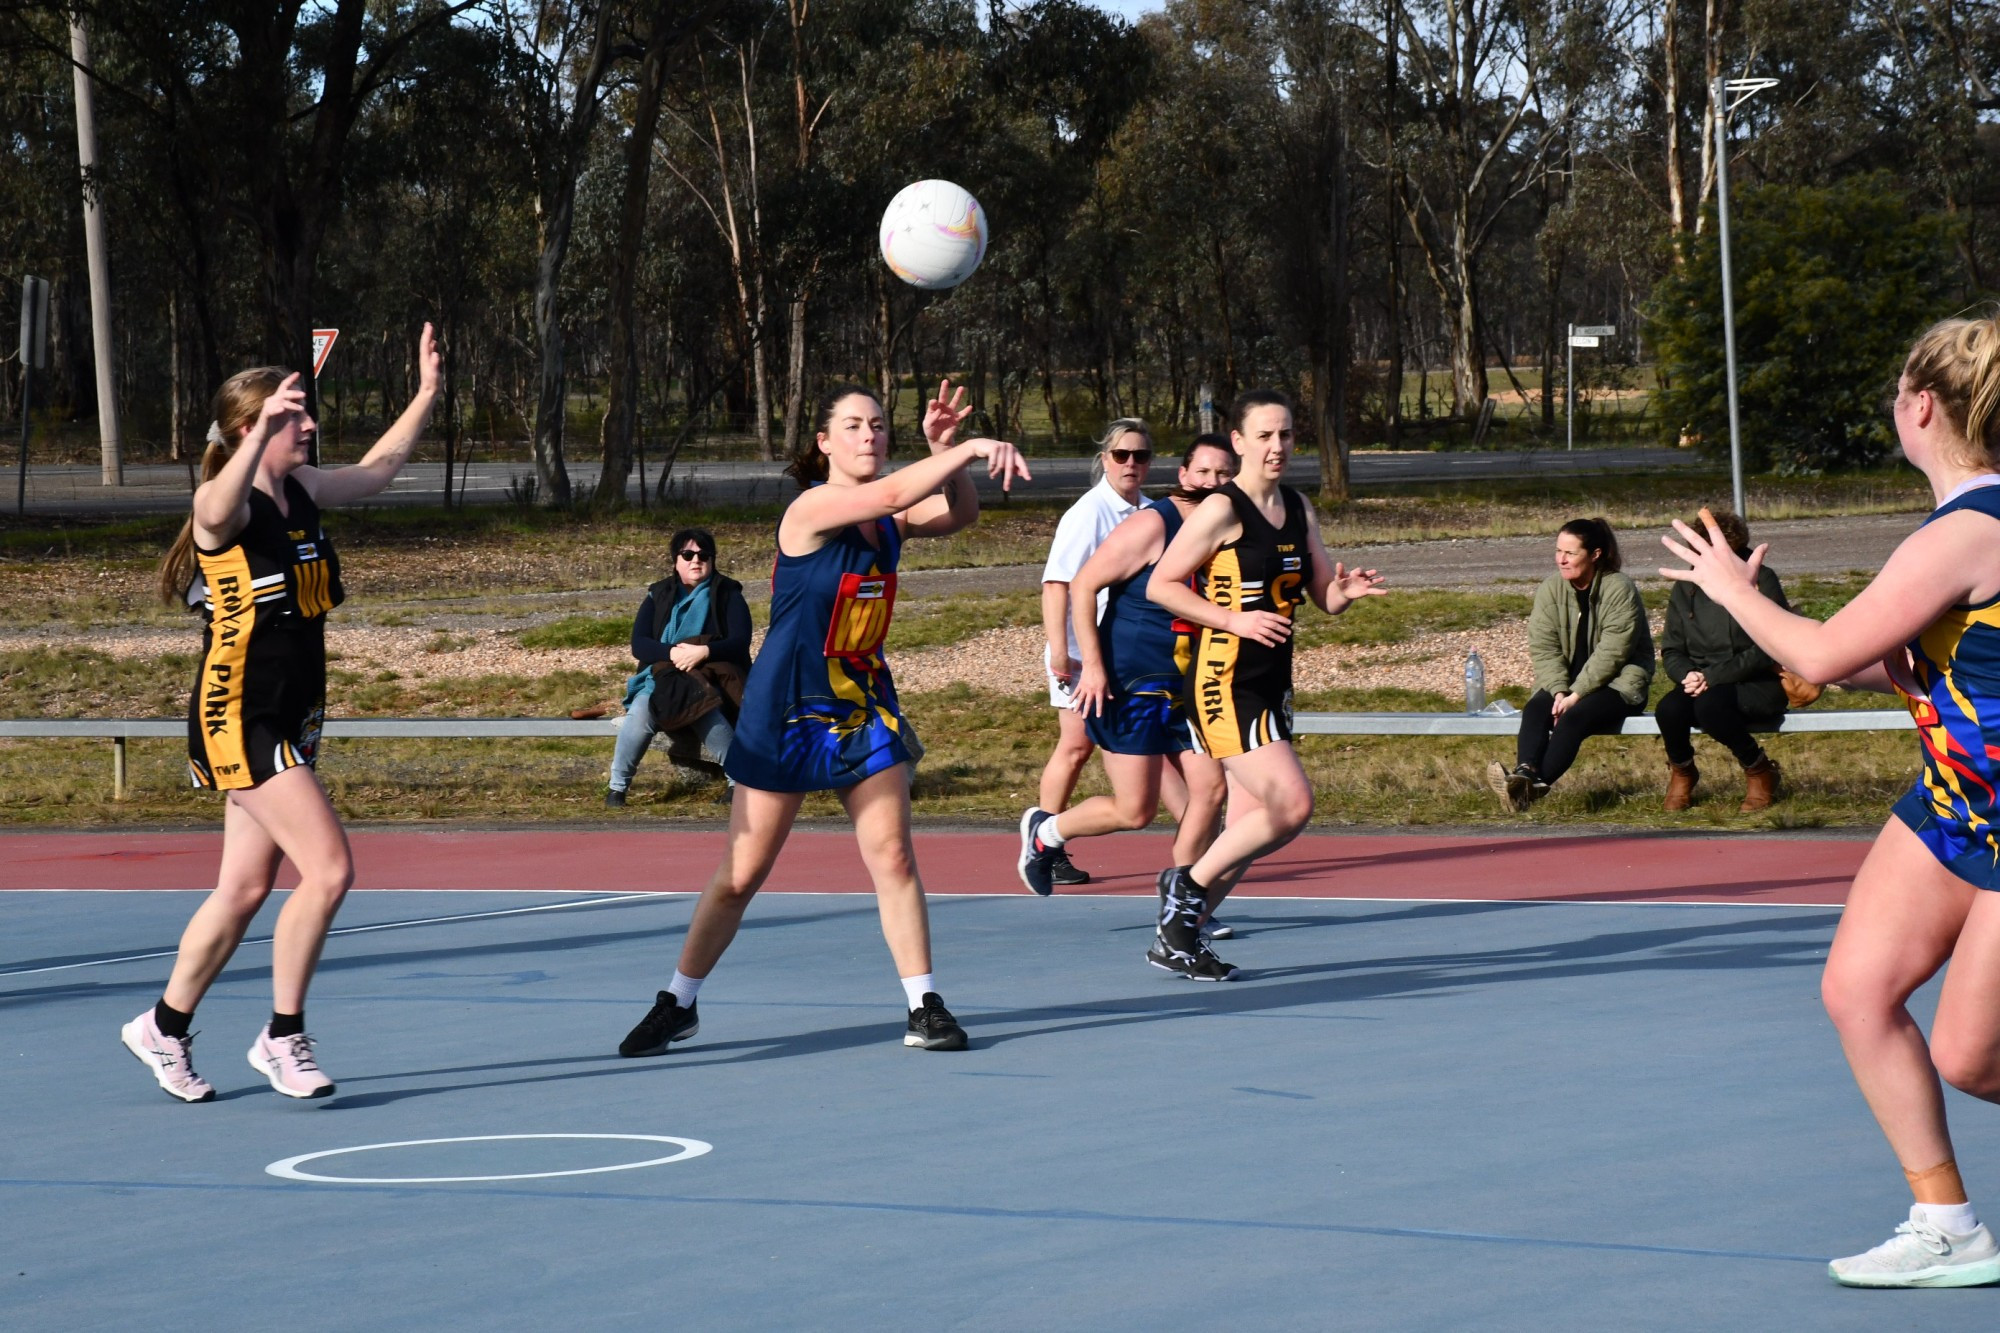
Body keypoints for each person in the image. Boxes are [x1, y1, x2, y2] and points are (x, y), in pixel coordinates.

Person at [1664, 317, 2000, 1290]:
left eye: (1895, 391)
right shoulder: (1952, 531)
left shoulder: (1971, 528)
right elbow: (1866, 661)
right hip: (1953, 804)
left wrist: (1731, 587)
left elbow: (1814, 655)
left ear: (1919, 407)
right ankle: (1944, 1223)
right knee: (1855, 991)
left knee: (1970, 1055)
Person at [617, 381, 1030, 1057]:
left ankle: (923, 1003)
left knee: (893, 853)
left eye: (878, 426)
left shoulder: (886, 521)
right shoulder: (813, 508)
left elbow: (957, 516)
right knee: (742, 873)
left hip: (860, 701)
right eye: (855, 426)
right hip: (785, 708)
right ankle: (678, 1001)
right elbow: (895, 494)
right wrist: (978, 447)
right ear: (824, 442)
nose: (870, 435)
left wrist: (946, 448)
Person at [122, 325, 443, 1103]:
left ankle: (161, 1027)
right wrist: (260, 427)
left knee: (241, 889)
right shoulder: (223, 509)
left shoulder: (300, 491)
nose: (309, 426)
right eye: (292, 417)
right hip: (240, 712)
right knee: (330, 869)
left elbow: (376, 472)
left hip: (292, 710)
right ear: (249, 429)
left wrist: (427, 394)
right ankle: (283, 1034)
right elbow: (210, 502)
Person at [1144, 390, 1385, 980]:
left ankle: (1180, 937)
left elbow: (1323, 597)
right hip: (1223, 680)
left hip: (1272, 681)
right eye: (1265, 436)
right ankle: (1185, 890)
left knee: (1248, 831)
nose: (1278, 446)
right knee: (1292, 804)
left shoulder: (1300, 508)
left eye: (1286, 435)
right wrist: (1233, 619)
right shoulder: (1221, 510)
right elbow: (1161, 584)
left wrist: (1344, 594)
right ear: (1239, 442)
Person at [1017, 436, 1237, 913]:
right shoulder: (1154, 522)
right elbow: (1078, 585)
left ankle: (1184, 911)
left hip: (1188, 683)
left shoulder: (1227, 526)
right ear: (1183, 475)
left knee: (1211, 791)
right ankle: (1047, 832)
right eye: (1204, 473)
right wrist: (1088, 666)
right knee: (1135, 810)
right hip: (1131, 680)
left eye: (1223, 474)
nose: (1213, 483)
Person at [1032, 418, 1157, 887]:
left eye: (1140, 456)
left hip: (1116, 655)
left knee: (1082, 746)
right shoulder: (1089, 513)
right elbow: (1055, 585)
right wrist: (1063, 655)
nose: (1131, 464)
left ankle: (1048, 839)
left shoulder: (1147, 510)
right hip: (1082, 657)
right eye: (1121, 455)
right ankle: (1043, 841)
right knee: (1075, 745)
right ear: (1104, 459)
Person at [1486, 518, 1654, 812]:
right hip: (1568, 686)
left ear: (1595, 554)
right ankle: (1525, 773)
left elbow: (1613, 652)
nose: (1561, 559)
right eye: (1558, 551)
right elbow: (1544, 648)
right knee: (1537, 707)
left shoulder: (1619, 589)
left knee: (1575, 717)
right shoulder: (1551, 589)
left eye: (1571, 553)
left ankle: (1529, 790)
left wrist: (1575, 695)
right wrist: (1559, 690)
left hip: (1618, 684)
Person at [605, 527, 753, 807]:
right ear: (676, 560)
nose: (696, 560)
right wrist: (672, 653)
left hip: (710, 679)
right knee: (640, 711)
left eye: (703, 555)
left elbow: (740, 641)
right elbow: (639, 644)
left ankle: (739, 782)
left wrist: (704, 651)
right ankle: (616, 789)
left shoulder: (728, 593)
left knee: (698, 705)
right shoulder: (658, 594)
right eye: (688, 554)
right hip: (662, 677)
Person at [1655, 509, 1790, 813]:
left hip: (1756, 680)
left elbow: (1770, 646)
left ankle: (1759, 770)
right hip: (1702, 681)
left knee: (1710, 707)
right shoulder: (1686, 585)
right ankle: (1683, 772)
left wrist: (1714, 676)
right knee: (1669, 709)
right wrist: (1687, 674)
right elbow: (1672, 648)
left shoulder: (1761, 578)